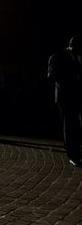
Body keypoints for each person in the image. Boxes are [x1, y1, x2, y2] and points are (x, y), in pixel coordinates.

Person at [47, 35, 81, 167]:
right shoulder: (57, 57)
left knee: (75, 126)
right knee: (70, 126)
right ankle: (73, 155)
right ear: (70, 46)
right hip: (66, 97)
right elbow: (52, 76)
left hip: (77, 95)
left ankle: (76, 152)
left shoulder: (77, 56)